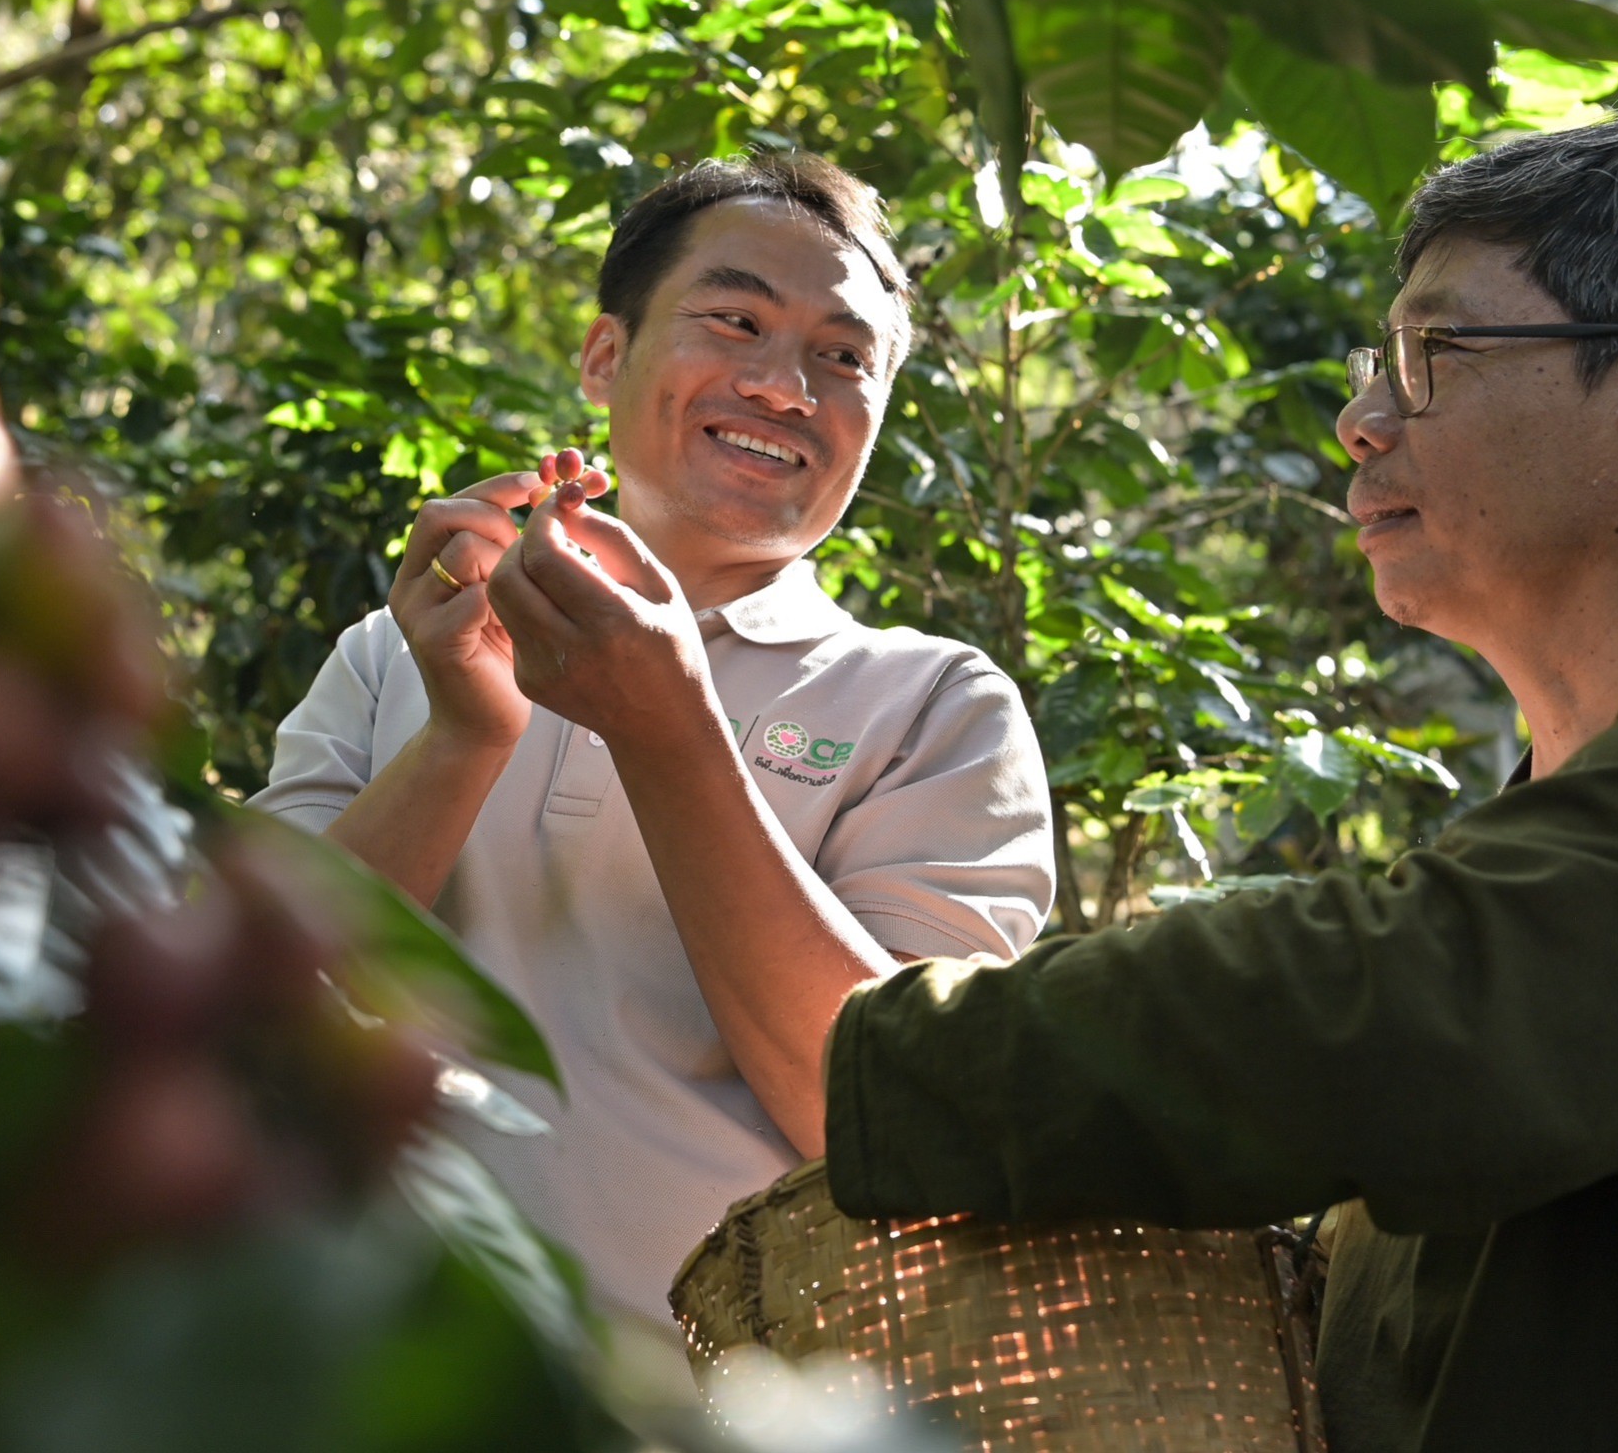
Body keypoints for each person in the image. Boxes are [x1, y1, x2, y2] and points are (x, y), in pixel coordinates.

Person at [818, 104, 1618, 1451]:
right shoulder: (1549, 833)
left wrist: (873, 1053)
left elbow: (1382, 1012)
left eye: (1429, 355)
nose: (1360, 422)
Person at [251, 153, 1054, 1345]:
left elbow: (894, 1119)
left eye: (844, 358)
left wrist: (671, 723)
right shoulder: (395, 651)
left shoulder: (935, 706)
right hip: (340, 1382)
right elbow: (244, 1016)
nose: (786, 387)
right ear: (603, 358)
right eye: (735, 321)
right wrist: (463, 733)